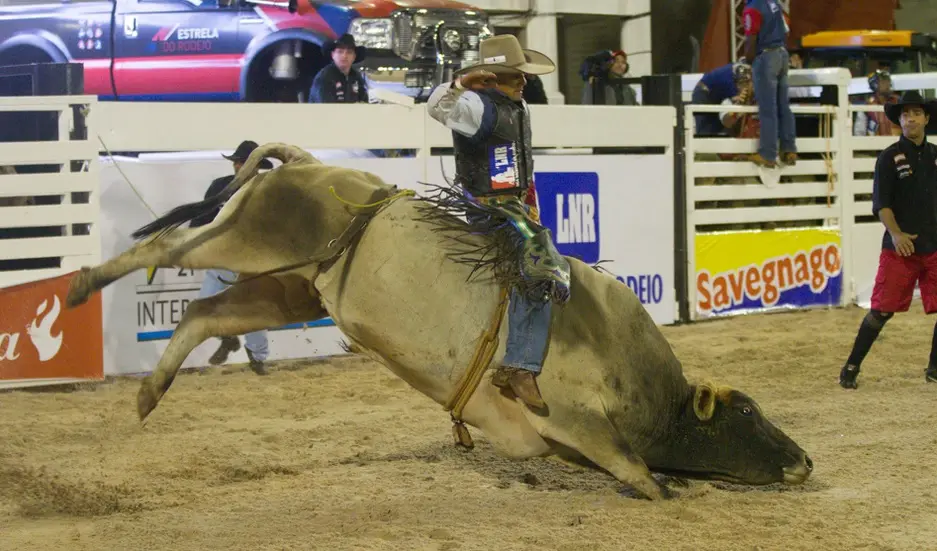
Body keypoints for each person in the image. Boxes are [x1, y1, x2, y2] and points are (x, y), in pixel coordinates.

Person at [425, 34, 570, 409]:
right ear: (493, 78)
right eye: (514, 75)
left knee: (541, 256)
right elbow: (437, 108)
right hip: (488, 205)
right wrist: (458, 85)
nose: (523, 81)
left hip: (512, 203)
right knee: (540, 261)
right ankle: (521, 366)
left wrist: (529, 199)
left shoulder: (513, 107)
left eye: (521, 75)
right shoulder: (475, 104)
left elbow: (520, 160)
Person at [839, 91, 937, 389]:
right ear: (899, 121)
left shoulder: (935, 156)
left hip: (934, 245)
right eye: (905, 114)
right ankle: (851, 367)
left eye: (916, 113)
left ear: (926, 118)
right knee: (881, 311)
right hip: (901, 248)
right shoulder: (888, 158)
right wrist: (895, 234)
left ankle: (935, 368)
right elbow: (882, 205)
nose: (911, 118)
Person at [190, 140, 274, 375]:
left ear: (255, 165)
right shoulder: (219, 187)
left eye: (243, 162)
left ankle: (258, 357)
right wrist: (192, 234)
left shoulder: (267, 188)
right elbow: (201, 216)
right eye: (237, 161)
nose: (238, 165)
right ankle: (228, 339)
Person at [743, 0, 797, 168]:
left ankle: (768, 153)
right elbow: (785, 30)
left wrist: (749, 60)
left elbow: (751, 39)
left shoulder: (751, 9)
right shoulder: (773, 2)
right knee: (783, 105)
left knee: (768, 108)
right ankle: (789, 149)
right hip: (782, 54)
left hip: (766, 56)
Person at [691, 62, 752, 136]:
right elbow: (738, 98)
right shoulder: (736, 76)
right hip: (704, 93)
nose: (744, 86)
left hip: (716, 94)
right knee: (705, 130)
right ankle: (703, 145)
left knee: (719, 128)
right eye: (743, 83)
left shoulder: (740, 70)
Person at [308, 34, 369, 104]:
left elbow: (364, 103)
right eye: (340, 51)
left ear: (354, 57)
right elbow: (325, 108)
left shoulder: (357, 77)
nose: (344, 56)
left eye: (349, 52)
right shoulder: (324, 77)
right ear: (332, 55)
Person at [854, 70, 901, 137]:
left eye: (888, 80)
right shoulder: (866, 107)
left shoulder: (899, 102)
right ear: (875, 85)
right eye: (884, 81)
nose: (888, 83)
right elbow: (859, 133)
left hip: (898, 145)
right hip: (875, 145)